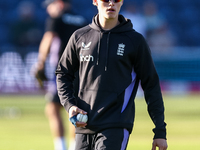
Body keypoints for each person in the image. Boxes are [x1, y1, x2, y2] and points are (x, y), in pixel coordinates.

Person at [56, 0, 168, 150]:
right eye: (106, 0)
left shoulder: (135, 41)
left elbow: (151, 85)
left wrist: (160, 130)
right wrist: (70, 105)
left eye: (116, 0)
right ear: (95, 1)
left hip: (116, 125)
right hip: (83, 126)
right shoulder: (79, 37)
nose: (111, 4)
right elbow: (63, 73)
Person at [34, 0, 87, 150]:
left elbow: (48, 38)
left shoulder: (56, 18)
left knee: (52, 108)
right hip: (82, 71)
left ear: (59, 3)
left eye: (50, 6)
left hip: (63, 71)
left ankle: (61, 147)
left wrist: (40, 63)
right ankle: (73, 147)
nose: (48, 10)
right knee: (76, 110)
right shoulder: (83, 20)